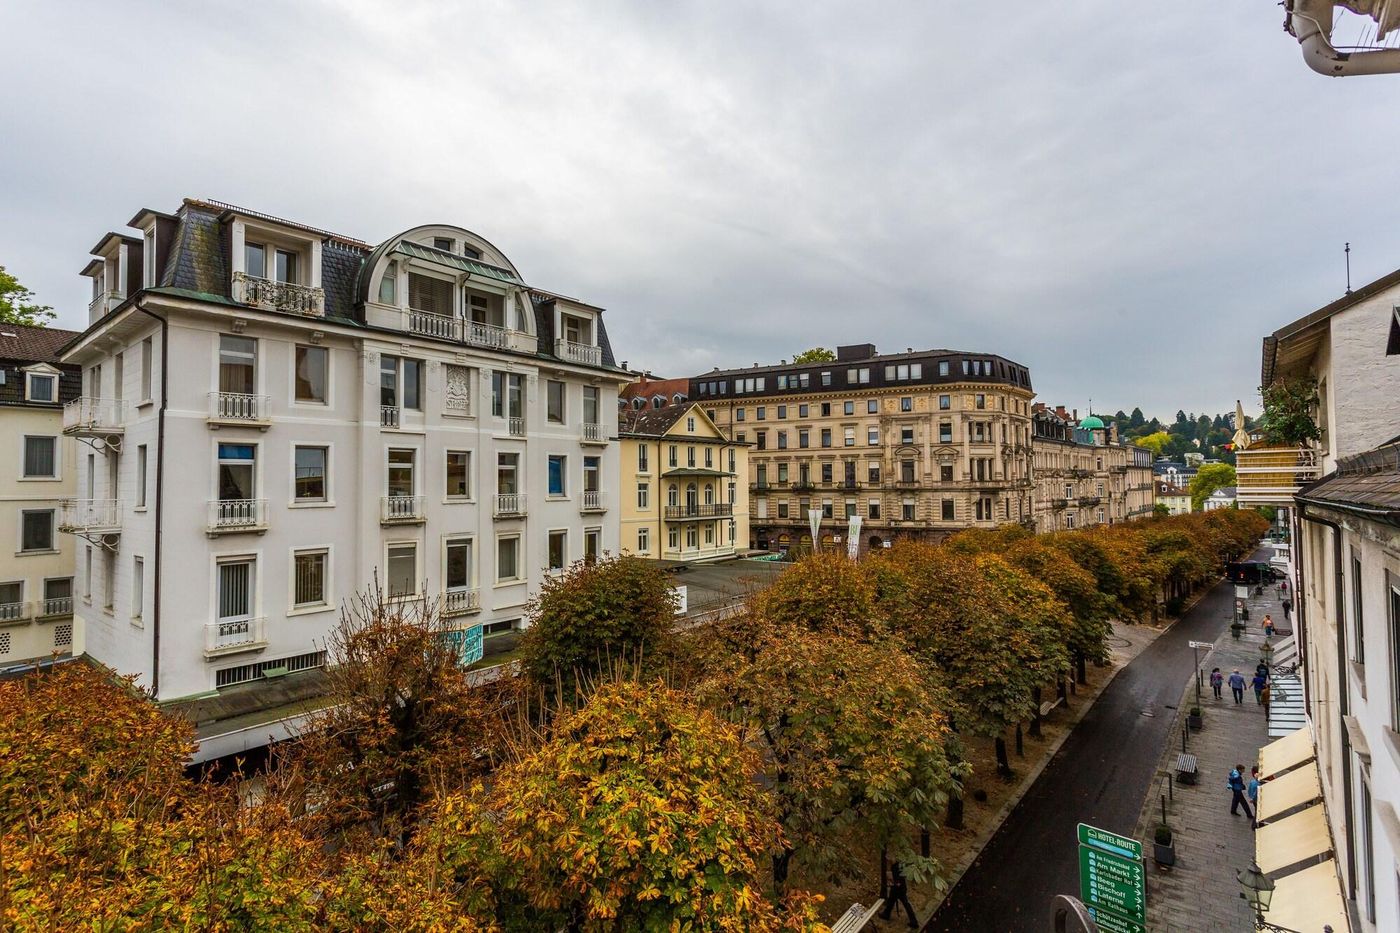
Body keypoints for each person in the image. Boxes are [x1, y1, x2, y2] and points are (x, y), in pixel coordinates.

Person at [880, 861, 918, 929]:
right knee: (891, 901)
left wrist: (894, 883)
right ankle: (886, 914)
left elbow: (898, 880)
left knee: (905, 903)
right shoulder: (897, 865)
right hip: (899, 888)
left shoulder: (896, 867)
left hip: (898, 889)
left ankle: (914, 921)